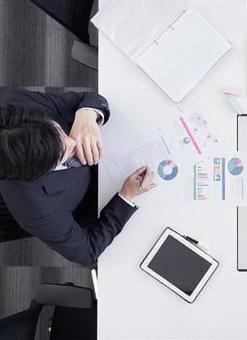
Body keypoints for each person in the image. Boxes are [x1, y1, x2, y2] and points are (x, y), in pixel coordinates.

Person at [0, 87, 156, 266]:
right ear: (40, 174)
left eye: (58, 130)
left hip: (118, 146)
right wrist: (125, 197)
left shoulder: (14, 104)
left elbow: (84, 99)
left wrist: (87, 114)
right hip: (92, 199)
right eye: (63, 153)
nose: (72, 141)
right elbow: (88, 252)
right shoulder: (36, 210)